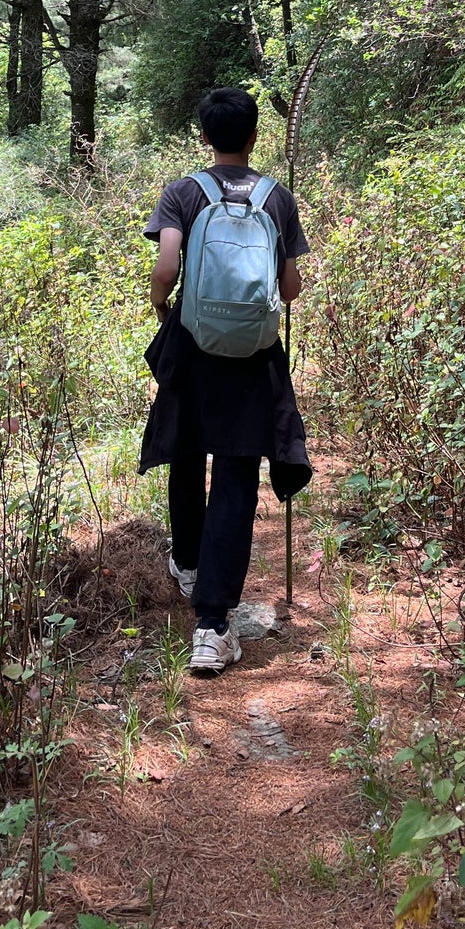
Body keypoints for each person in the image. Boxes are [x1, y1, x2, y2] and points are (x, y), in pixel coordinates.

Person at [139, 86, 312, 675]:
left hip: (195, 346)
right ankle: (213, 627)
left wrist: (166, 309)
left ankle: (188, 564)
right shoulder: (275, 197)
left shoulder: (185, 192)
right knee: (237, 474)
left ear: (205, 137)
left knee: (186, 452)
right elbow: (289, 291)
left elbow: (166, 267)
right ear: (255, 136)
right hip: (254, 356)